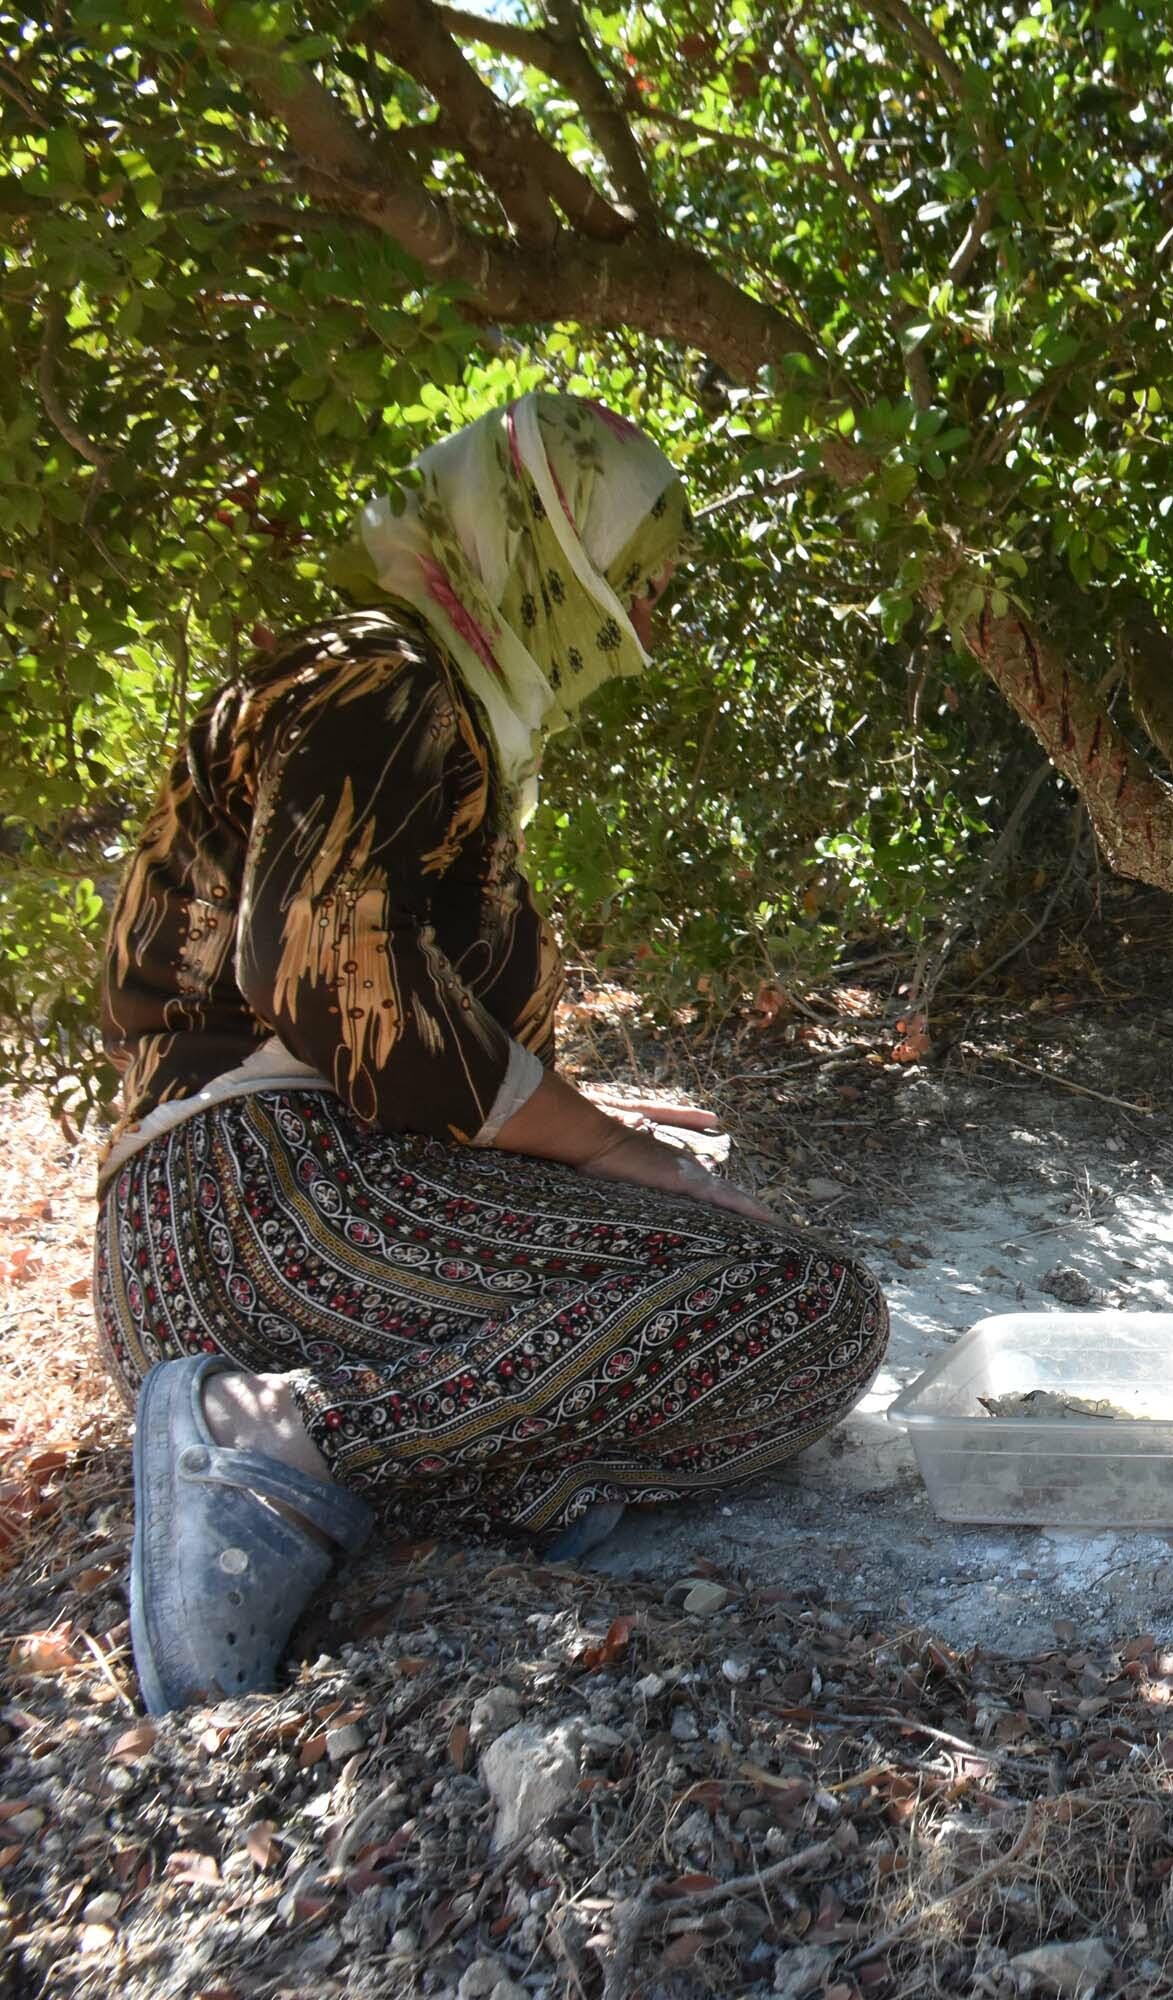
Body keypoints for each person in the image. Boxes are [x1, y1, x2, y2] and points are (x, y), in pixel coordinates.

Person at [94, 393, 889, 1714]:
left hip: (245, 1223)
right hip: (273, 1210)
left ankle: (442, 1472)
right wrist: (620, 1153)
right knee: (809, 1305)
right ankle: (282, 1446)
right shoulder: (381, 681)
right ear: (546, 549)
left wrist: (575, 1116)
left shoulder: (391, 695)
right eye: (637, 587)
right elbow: (333, 986)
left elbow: (392, 1024)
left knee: (770, 1300)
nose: (643, 637)